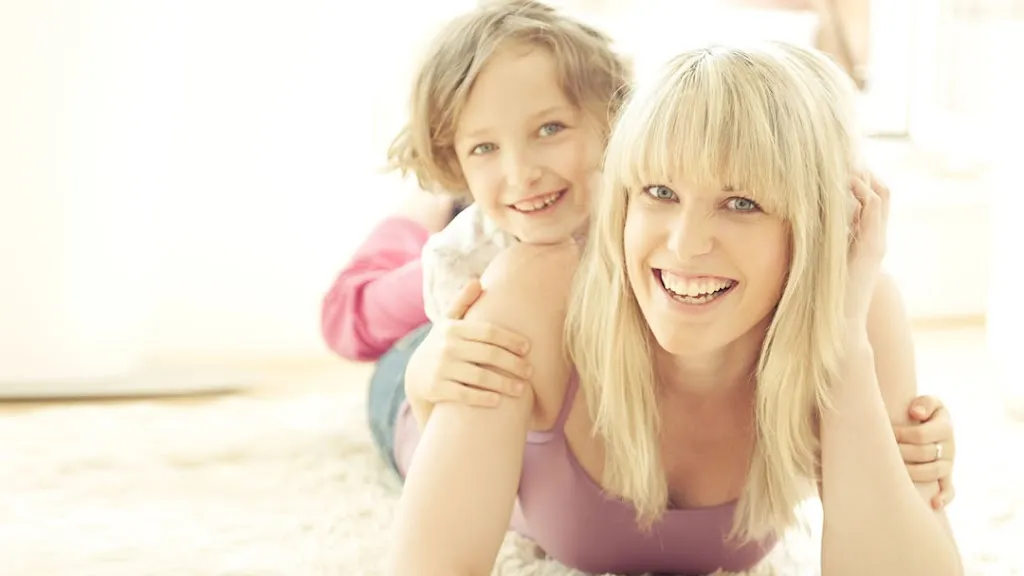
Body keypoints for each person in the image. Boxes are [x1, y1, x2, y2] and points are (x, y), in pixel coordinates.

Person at [388, 39, 963, 575]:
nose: (686, 245)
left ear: (817, 228)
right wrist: (421, 379)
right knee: (381, 296)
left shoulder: (856, 309)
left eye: (741, 202)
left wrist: (844, 350)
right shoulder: (530, 294)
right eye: (660, 192)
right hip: (428, 371)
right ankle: (421, 215)